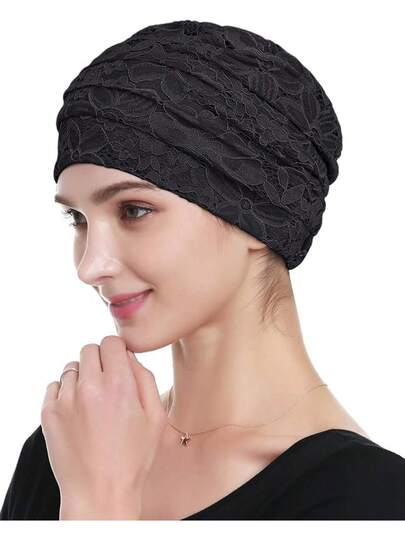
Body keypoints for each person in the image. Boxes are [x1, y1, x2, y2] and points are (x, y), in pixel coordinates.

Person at [1, 20, 405, 520]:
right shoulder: (67, 450)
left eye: (134, 210)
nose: (90, 266)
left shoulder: (370, 502)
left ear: (260, 213)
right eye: (78, 219)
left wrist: (100, 502)